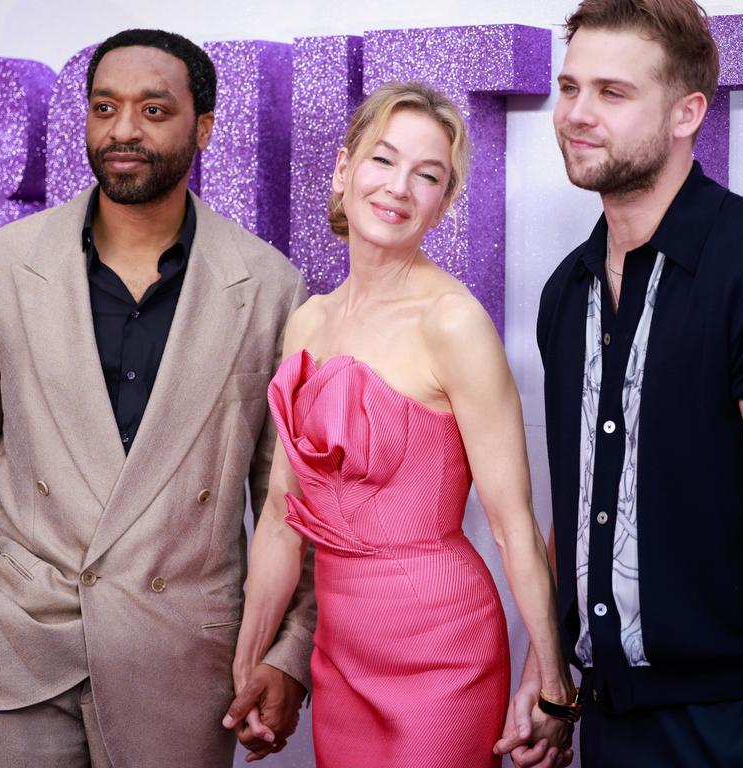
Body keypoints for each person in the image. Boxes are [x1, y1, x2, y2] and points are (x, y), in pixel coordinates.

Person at [0, 28, 313, 768]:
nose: (123, 129)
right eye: (105, 107)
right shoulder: (5, 266)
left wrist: (289, 649)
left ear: (203, 128)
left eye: (153, 110)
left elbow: (288, 500)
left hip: (181, 653)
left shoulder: (269, 287)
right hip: (13, 640)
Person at [496, 2, 743, 767]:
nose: (577, 115)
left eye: (612, 93)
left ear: (688, 112)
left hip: (736, 719)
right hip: (613, 711)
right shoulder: (569, 290)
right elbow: (586, 502)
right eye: (569, 87)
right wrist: (553, 676)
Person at [221, 81, 575, 768]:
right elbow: (277, 517)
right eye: (383, 160)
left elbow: (512, 524)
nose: (398, 188)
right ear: (343, 169)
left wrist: (554, 683)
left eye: (428, 175)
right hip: (341, 656)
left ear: (443, 204)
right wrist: (250, 662)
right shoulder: (308, 321)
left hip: (444, 654)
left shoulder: (454, 322)